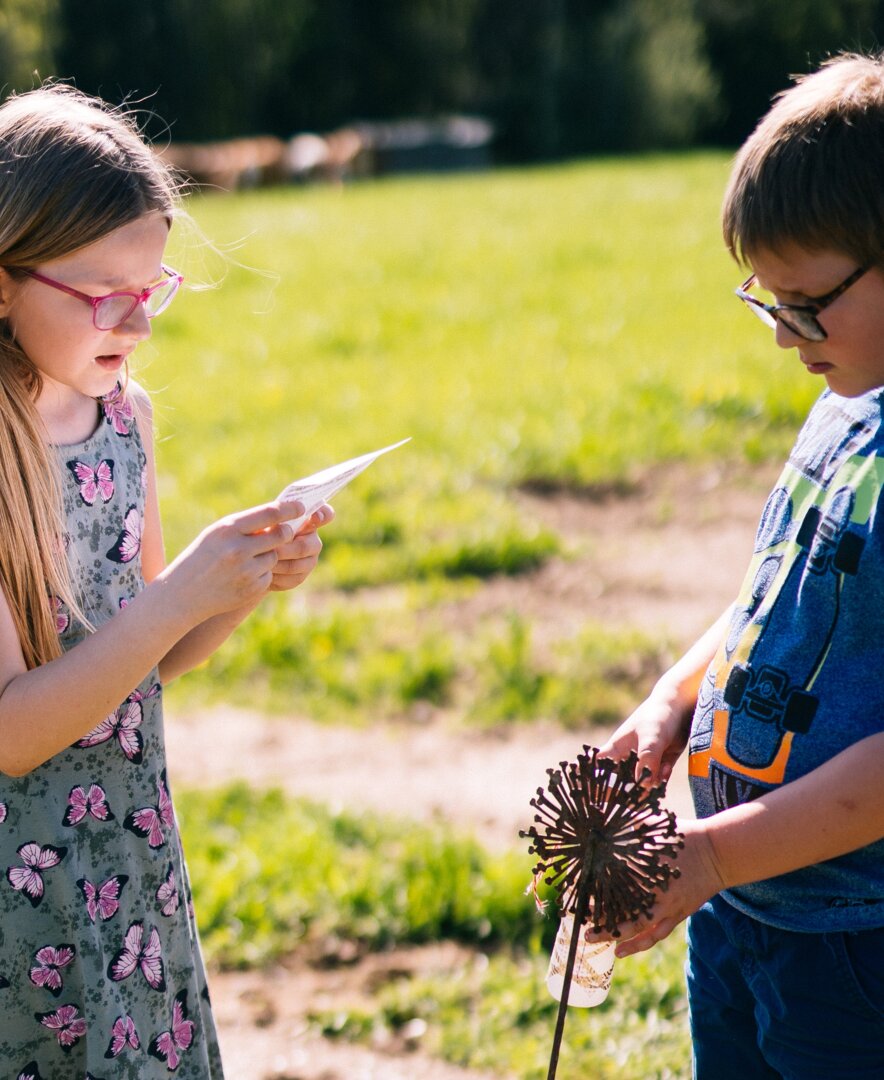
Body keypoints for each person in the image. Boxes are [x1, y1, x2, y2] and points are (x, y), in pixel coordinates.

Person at [0, 85, 332, 1076]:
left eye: (154, 289)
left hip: (127, 855)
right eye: (106, 295)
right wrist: (179, 595)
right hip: (21, 888)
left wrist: (235, 582)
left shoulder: (124, 421)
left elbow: (144, 659)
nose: (138, 324)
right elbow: (14, 730)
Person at [598, 52, 884, 1079]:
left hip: (856, 939)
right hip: (743, 910)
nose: (781, 337)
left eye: (805, 305)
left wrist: (713, 853)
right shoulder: (846, 403)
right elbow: (784, 592)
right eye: (764, 304)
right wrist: (676, 700)